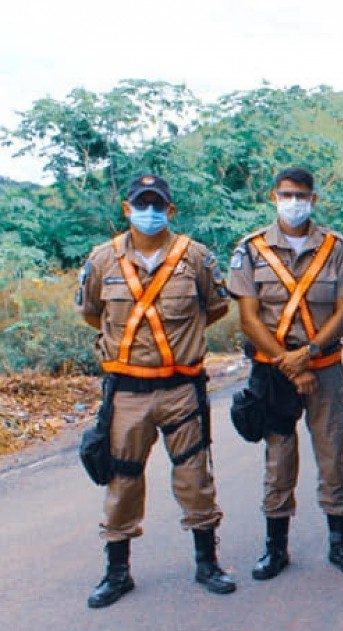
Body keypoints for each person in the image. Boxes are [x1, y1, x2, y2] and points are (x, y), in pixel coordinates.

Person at [76, 174, 236, 608]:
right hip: (127, 392)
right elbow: (93, 313)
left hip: (182, 389)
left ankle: (208, 563)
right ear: (127, 209)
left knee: (195, 475)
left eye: (158, 205)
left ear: (170, 210)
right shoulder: (102, 259)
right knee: (122, 479)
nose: (150, 212)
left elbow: (216, 307)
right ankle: (117, 572)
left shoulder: (196, 258)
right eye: (141, 204)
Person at [227, 166, 343, 579]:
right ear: (274, 197)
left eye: (302, 195)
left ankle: (340, 544)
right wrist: (287, 363)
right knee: (279, 459)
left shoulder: (336, 248)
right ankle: (275, 548)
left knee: (332, 457)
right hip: (274, 373)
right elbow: (249, 319)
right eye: (287, 194)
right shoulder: (251, 249)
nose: (294, 202)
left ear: (314, 199)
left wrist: (306, 354)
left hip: (323, 369)